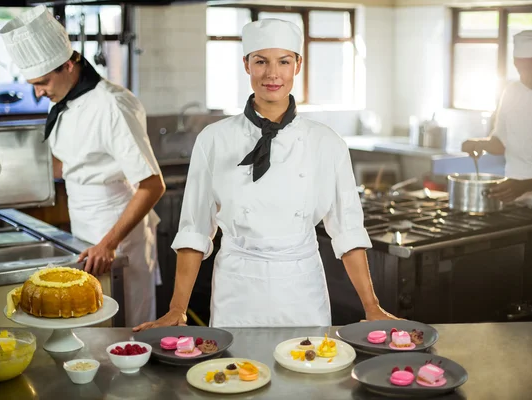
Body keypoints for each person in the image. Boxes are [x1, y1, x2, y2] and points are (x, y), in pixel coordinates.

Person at [134, 19, 396, 330]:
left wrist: (372, 307)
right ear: (246, 64)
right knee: (235, 374)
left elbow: (348, 231)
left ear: (297, 65)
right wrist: (177, 309)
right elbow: (194, 230)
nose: (272, 74)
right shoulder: (214, 139)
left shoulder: (327, 143)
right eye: (261, 61)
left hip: (301, 290)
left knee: (305, 372)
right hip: (237, 290)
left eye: (283, 61)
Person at [0, 6, 166, 326]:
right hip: (85, 231)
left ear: (68, 65)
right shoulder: (66, 104)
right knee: (93, 325)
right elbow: (77, 165)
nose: (38, 92)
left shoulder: (112, 105)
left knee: (126, 325)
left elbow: (152, 184)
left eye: (43, 81)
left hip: (117, 235)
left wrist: (108, 243)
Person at [462, 29, 532, 312]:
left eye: (530, 66)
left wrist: (525, 185)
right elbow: (501, 142)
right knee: (512, 279)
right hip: (512, 204)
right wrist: (481, 143)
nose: (523, 74)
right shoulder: (512, 91)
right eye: (518, 66)